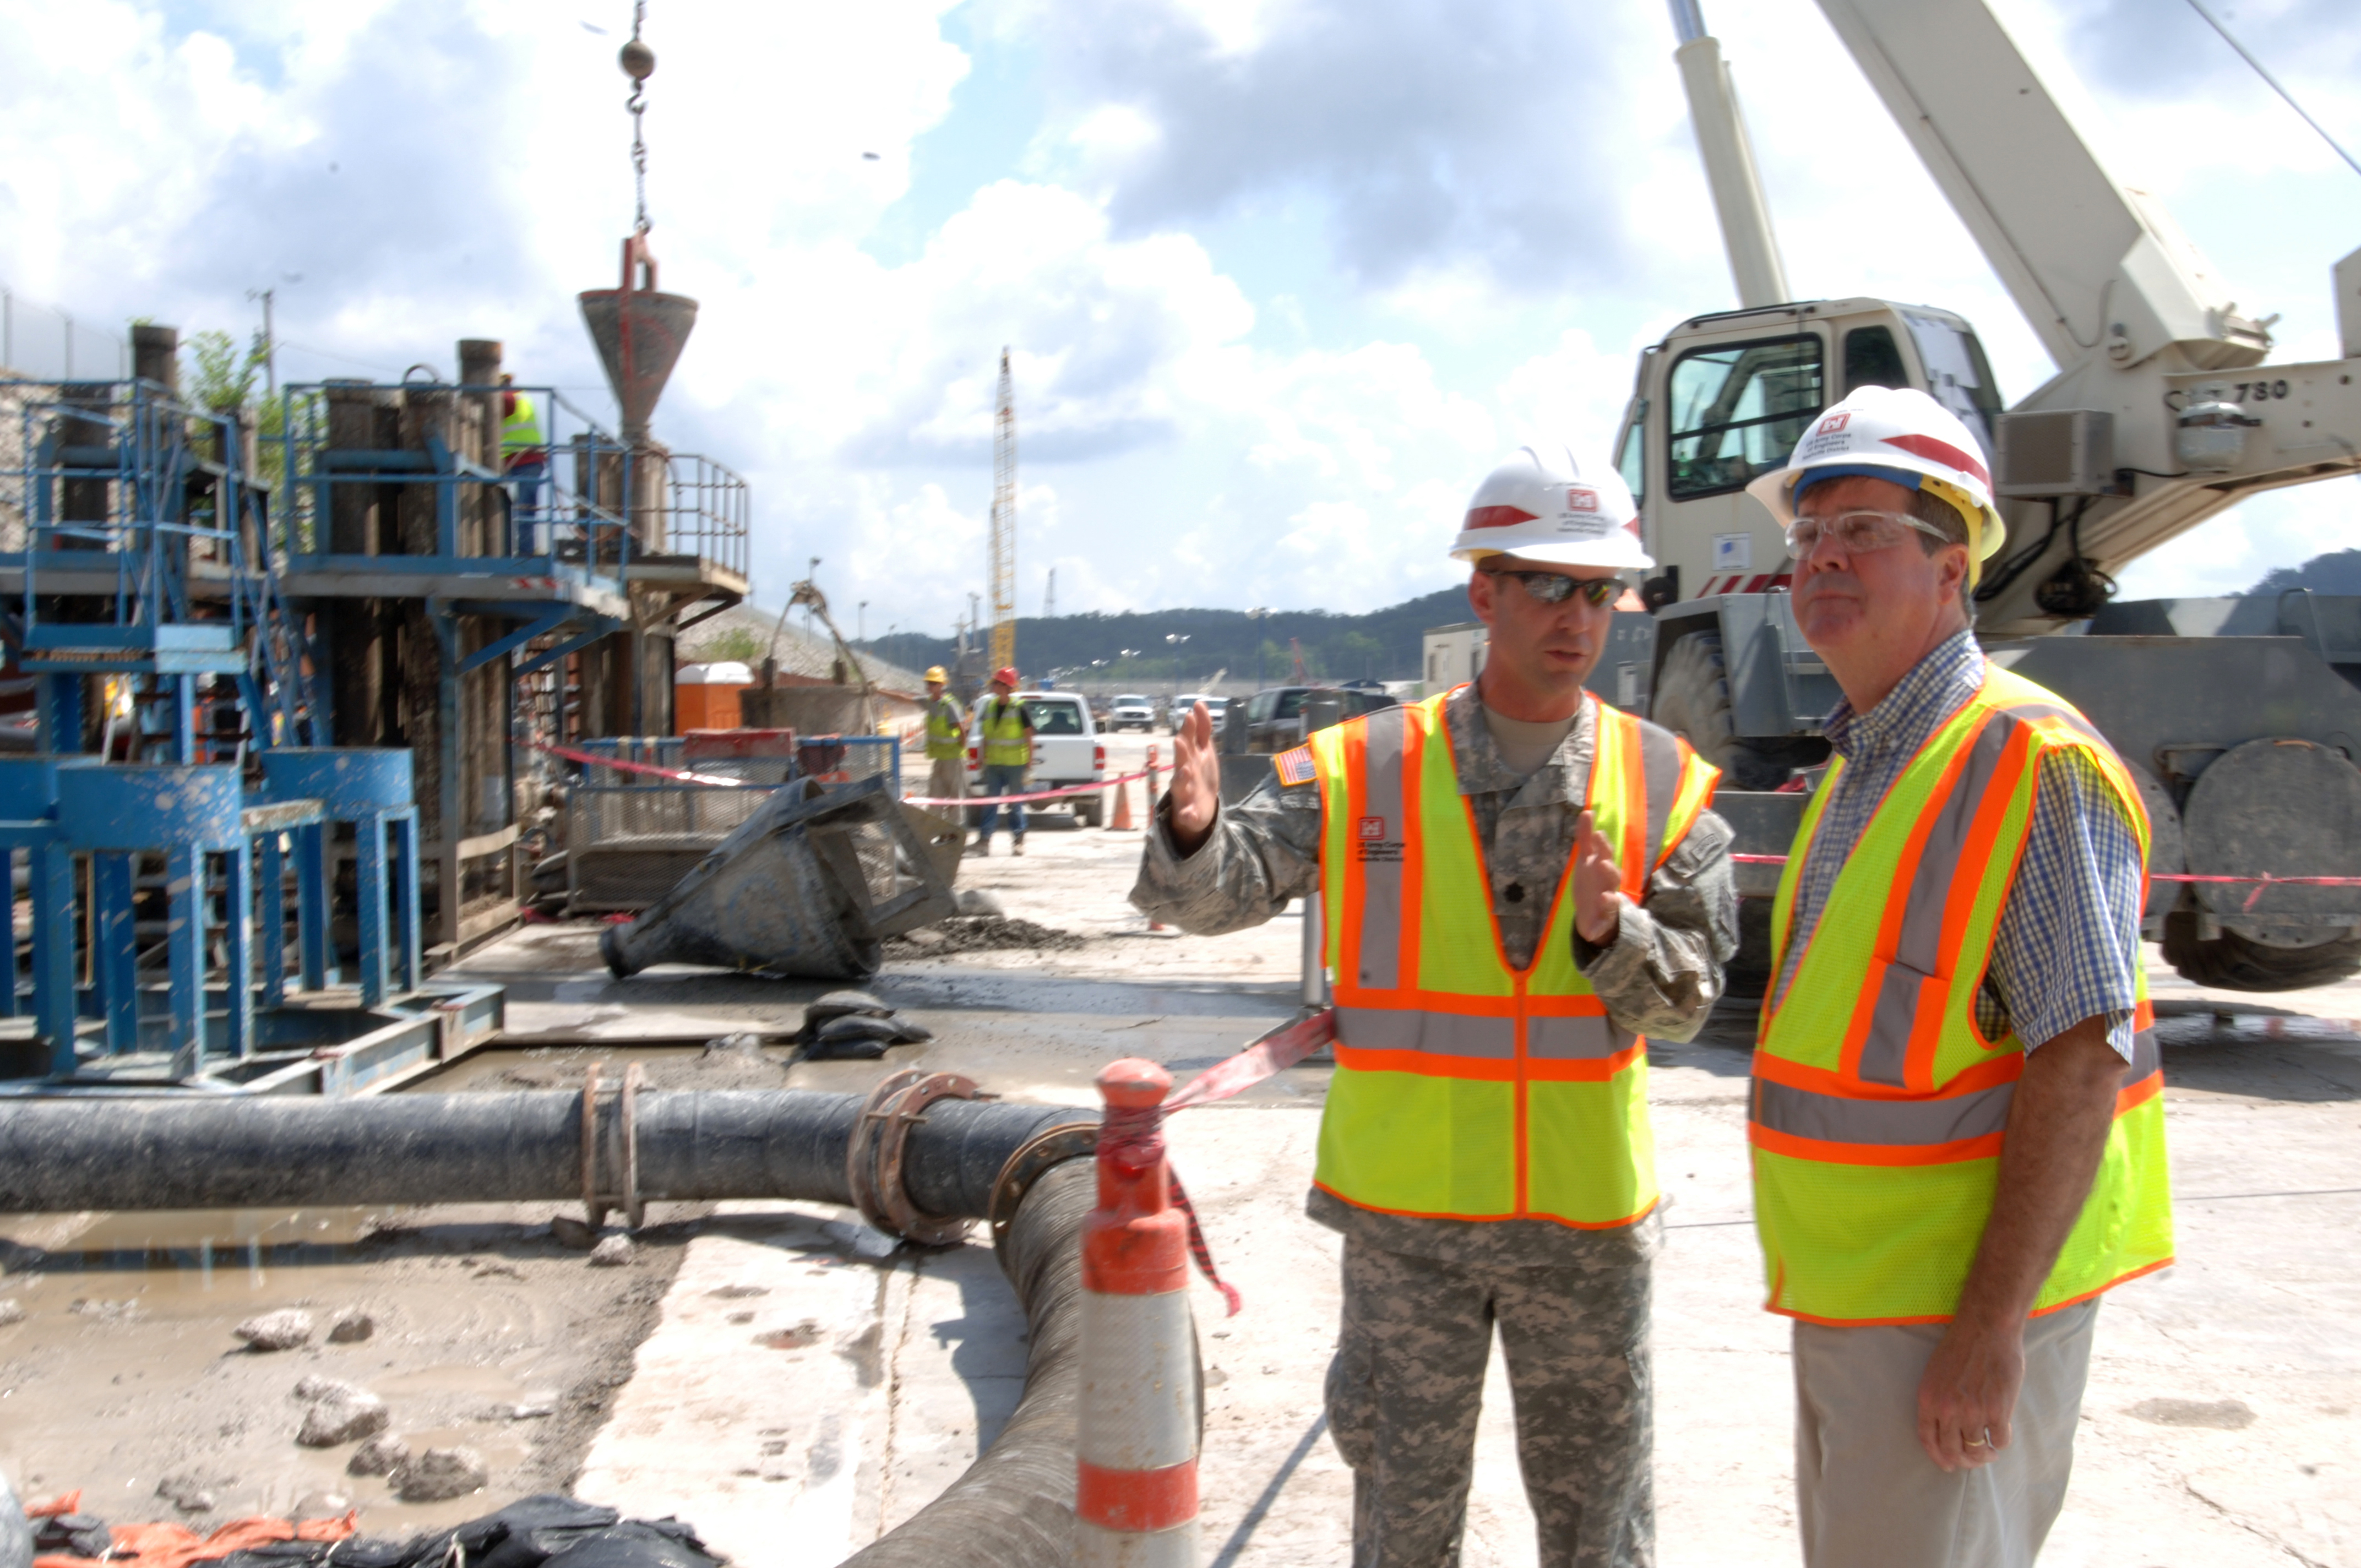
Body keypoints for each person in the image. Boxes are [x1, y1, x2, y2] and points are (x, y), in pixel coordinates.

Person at [1134, 447, 1737, 1568]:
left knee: (1599, 1532)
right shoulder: (1364, 764)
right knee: (1402, 1531)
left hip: (1584, 1227)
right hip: (1408, 1230)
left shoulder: (1658, 777)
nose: (1576, 614)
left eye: (1598, 589)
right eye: (1547, 584)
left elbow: (1689, 1002)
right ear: (1483, 591)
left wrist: (1613, 937)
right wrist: (1192, 828)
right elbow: (1214, 897)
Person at [1742, 386, 2173, 1568]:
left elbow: (2078, 1059)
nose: (1822, 556)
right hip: (1857, 1296)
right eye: (1806, 534)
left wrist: (1987, 1328)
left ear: (1950, 567)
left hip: (1948, 1314)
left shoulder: (2024, 757)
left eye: (1862, 530)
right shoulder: (1865, 765)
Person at [972, 666, 1034, 857]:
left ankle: (1018, 841)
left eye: (996, 683)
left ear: (1006, 686)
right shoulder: (990, 707)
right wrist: (982, 758)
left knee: (1015, 804)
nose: (993, 686)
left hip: (1015, 764)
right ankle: (984, 841)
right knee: (990, 803)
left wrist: (1030, 762)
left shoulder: (1019, 707)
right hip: (994, 763)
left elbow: (1029, 736)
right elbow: (986, 736)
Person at [501, 373, 546, 555]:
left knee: (523, 508)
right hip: (526, 460)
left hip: (522, 460)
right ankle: (522, 551)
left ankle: (523, 553)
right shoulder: (523, 397)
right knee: (525, 508)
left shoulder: (508, 398)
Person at [921, 666, 967, 808]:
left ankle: (956, 823)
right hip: (940, 758)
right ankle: (936, 821)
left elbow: (961, 730)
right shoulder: (930, 703)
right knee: (935, 794)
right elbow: (907, 699)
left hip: (953, 758)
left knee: (955, 796)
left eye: (934, 683)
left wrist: (962, 752)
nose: (930, 686)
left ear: (942, 685)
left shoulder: (949, 704)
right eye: (929, 683)